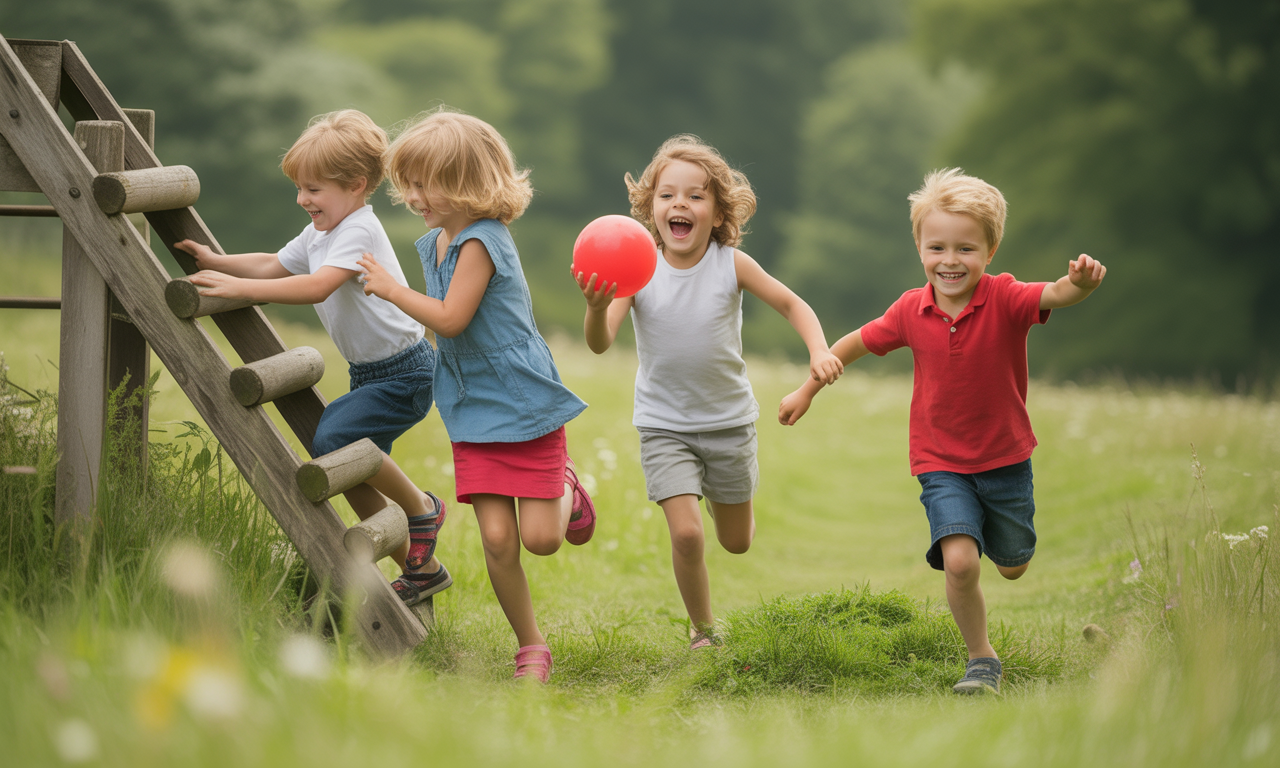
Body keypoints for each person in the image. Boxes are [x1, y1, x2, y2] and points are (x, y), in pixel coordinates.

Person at [779, 168, 1107, 694]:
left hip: (1005, 458)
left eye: (965, 249)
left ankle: (1005, 549)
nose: (949, 261)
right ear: (919, 248)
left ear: (990, 251)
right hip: (940, 461)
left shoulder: (1005, 297)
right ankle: (982, 660)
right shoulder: (910, 310)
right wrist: (807, 389)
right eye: (937, 248)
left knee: (1014, 566)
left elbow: (1055, 292)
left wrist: (1082, 285)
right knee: (960, 563)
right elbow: (853, 344)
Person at [575, 134, 843, 649]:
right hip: (663, 425)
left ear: (718, 213)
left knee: (736, 542)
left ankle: (723, 497)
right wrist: (595, 306)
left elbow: (792, 304)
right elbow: (600, 342)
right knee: (687, 534)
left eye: (695, 196)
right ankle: (704, 631)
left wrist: (818, 349)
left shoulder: (730, 263)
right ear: (651, 208)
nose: (680, 204)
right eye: (667, 195)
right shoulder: (638, 268)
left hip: (728, 423)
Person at [174, 109, 449, 606]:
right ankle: (421, 568)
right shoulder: (321, 233)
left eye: (314, 189)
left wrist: (239, 288)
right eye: (299, 188)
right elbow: (272, 264)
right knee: (348, 469)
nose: (303, 199)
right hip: (370, 374)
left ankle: (421, 507)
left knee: (332, 441)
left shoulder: (359, 230)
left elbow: (317, 286)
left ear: (356, 186)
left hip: (405, 372)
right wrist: (219, 261)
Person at [357, 108, 594, 684]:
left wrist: (391, 291)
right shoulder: (435, 242)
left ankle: (566, 485)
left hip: (522, 400)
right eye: (408, 183)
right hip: (470, 406)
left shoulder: (484, 241)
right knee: (496, 539)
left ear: (467, 182)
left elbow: (451, 319)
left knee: (541, 540)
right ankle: (531, 645)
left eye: (425, 184)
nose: (413, 196)